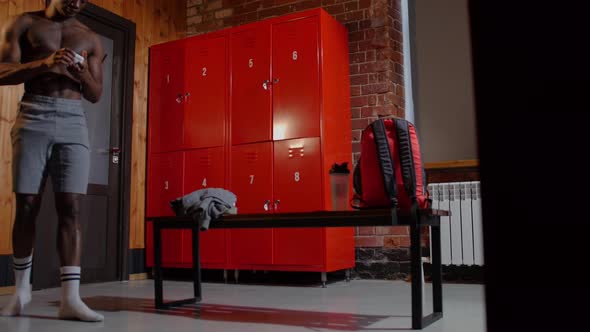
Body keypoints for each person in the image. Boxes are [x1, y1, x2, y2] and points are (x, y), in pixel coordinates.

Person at [0, 0, 104, 322]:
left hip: (74, 121)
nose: (77, 2)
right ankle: (21, 290)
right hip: (33, 114)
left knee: (71, 208)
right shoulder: (23, 23)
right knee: (27, 204)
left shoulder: (90, 37)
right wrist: (46, 63)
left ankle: (70, 299)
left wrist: (82, 73)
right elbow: (2, 71)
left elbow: (96, 93)